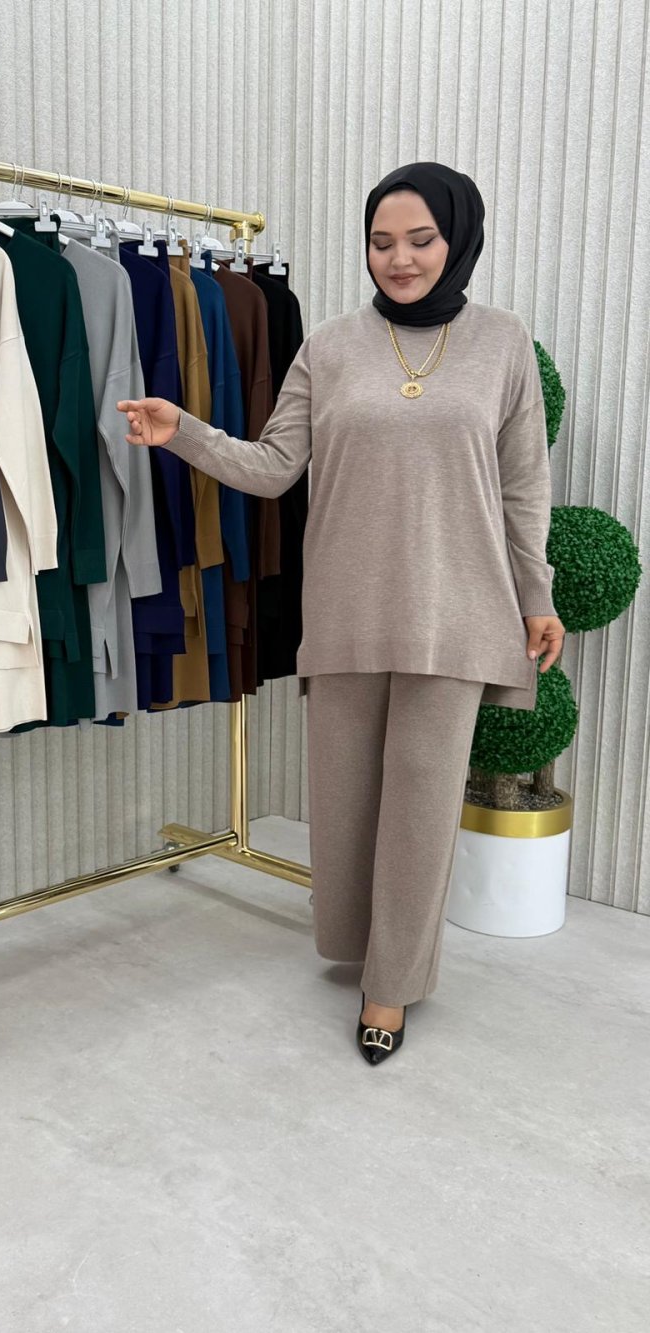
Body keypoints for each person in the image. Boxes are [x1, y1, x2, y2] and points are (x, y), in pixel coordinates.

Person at [117, 162, 566, 1065]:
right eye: (381, 241)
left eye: (421, 240)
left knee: (421, 807)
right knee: (347, 803)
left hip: (456, 610)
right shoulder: (329, 346)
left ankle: (390, 984)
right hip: (348, 608)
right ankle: (360, 945)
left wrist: (537, 595)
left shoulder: (503, 343)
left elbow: (523, 488)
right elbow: (275, 465)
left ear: (458, 240)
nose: (399, 259)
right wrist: (185, 432)